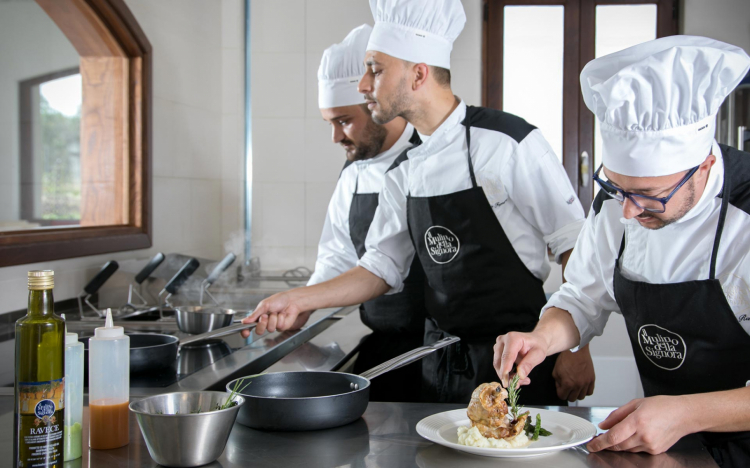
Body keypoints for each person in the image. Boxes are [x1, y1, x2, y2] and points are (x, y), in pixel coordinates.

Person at [244, 0, 594, 405]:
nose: (362, 84)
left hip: (517, 363)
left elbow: (574, 248)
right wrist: (297, 299)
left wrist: (574, 348)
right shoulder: (405, 171)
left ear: (418, 74)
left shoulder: (508, 143)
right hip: (439, 365)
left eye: (374, 69)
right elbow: (380, 267)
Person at [493, 36, 750, 466]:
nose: (627, 211)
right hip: (671, 448)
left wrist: (686, 412)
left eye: (649, 195)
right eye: (616, 187)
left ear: (703, 165)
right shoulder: (617, 206)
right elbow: (582, 299)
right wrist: (542, 338)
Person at [310, 24, 424, 402]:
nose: (336, 138)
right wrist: (299, 309)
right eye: (330, 123)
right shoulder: (354, 170)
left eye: (343, 121)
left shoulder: (434, 156)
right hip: (387, 352)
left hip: (446, 352)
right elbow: (337, 258)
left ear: (376, 106)